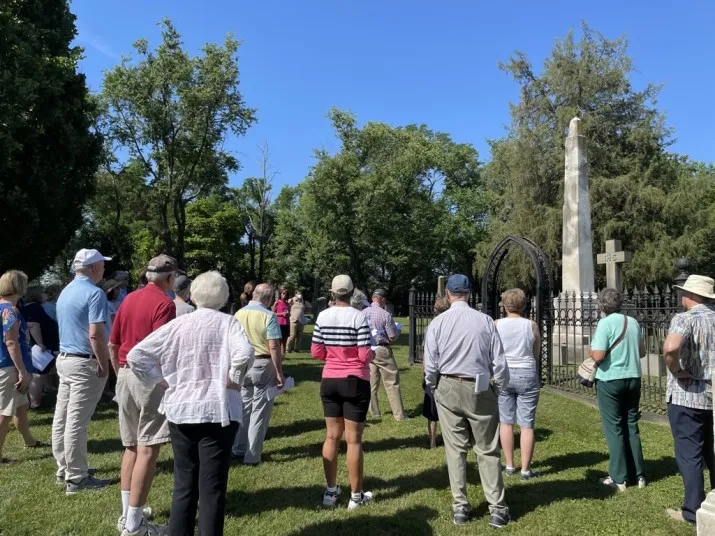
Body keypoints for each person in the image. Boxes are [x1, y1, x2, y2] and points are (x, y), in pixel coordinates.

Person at [127, 271, 255, 536]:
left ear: (194, 295)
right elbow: (245, 353)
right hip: (216, 411)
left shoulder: (179, 324)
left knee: (183, 484)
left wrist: (160, 380)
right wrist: (233, 378)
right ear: (224, 296)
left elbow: (137, 354)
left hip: (182, 410)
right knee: (212, 488)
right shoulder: (228, 324)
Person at [424, 274, 510, 528]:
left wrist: (433, 388)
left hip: (448, 384)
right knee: (487, 448)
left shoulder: (438, 323)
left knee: (456, 449)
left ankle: (460, 507)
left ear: (449, 295)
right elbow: (500, 362)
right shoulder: (485, 321)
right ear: (469, 294)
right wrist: (500, 389)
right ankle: (497, 507)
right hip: (480, 384)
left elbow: (430, 364)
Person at [110, 255, 179, 536]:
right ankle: (135, 524)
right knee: (148, 449)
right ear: (169, 278)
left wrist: (118, 375)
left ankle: (128, 513)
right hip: (148, 378)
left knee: (131, 446)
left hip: (125, 374)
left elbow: (113, 342)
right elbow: (161, 349)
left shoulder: (129, 299)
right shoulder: (165, 304)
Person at [52, 248, 113, 494]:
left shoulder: (65, 291)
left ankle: (64, 468)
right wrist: (104, 364)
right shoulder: (94, 294)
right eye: (102, 265)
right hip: (83, 362)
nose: (104, 270)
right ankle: (76, 477)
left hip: (65, 359)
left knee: (63, 417)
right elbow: (96, 334)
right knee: (77, 422)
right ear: (94, 268)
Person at [312, 275, 375, 510]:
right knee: (353, 440)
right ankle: (356, 496)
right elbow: (362, 355)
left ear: (333, 293)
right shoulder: (358, 317)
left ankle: (330, 491)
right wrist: (373, 354)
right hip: (354, 380)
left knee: (331, 436)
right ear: (351, 292)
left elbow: (317, 352)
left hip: (330, 379)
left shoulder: (322, 316)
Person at [663, 275, 715, 525]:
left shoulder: (685, 318)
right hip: (713, 395)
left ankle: (693, 510)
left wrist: (675, 370)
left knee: (690, 453)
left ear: (692, 296)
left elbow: (671, 348)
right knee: (713, 452)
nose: (681, 296)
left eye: (684, 292)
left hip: (687, 395)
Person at [589, 288, 647, 493]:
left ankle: (618, 477)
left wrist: (591, 349)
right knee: (631, 424)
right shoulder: (632, 322)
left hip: (610, 379)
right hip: (633, 377)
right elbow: (642, 352)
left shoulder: (604, 323)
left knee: (614, 427)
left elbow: (598, 355)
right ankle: (638, 474)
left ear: (602, 305)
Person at [232, 283, 284, 465]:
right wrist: (279, 372)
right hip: (262, 363)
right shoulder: (269, 316)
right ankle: (252, 455)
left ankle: (238, 448)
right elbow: (274, 345)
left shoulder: (238, 314)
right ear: (269, 299)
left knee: (244, 407)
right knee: (259, 411)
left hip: (242, 363)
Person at [496, 288, 542, 481]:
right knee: (526, 424)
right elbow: (536, 351)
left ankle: (509, 464)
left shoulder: (496, 324)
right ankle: (525, 468)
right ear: (524, 305)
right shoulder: (531, 325)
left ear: (505, 305)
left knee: (505, 421)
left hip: (505, 372)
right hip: (526, 371)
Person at [0, 270, 42, 463]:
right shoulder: (9, 310)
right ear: (18, 286)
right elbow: (11, 342)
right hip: (10, 367)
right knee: (4, 413)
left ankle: (30, 441)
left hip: (7, 366)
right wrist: (22, 371)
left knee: (21, 407)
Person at [364, 289, 407, 421]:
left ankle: (374, 412)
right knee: (391, 381)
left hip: (368, 348)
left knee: (371, 383)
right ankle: (399, 415)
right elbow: (392, 336)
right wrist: (398, 329)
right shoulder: (385, 314)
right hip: (382, 349)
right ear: (382, 299)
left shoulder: (363, 312)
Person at [22, 285, 60, 408]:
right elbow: (32, 325)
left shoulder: (31, 307)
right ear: (37, 294)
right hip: (40, 347)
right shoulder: (34, 307)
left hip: (39, 346)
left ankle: (34, 399)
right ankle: (35, 402)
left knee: (39, 373)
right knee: (39, 374)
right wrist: (40, 343)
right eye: (43, 292)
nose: (45, 295)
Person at [422, 296, 449, 449]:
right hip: (447, 369)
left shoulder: (431, 326)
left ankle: (432, 440)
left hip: (432, 368)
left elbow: (426, 352)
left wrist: (425, 371)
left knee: (432, 410)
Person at [272, 287, 290, 355]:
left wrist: (288, 314)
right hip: (279, 324)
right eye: (283, 293)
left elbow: (289, 313)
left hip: (286, 324)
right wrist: (281, 314)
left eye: (286, 294)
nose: (284, 295)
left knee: (284, 341)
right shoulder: (277, 302)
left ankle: (283, 355)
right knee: (279, 341)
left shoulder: (287, 303)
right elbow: (273, 313)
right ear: (280, 294)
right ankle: (277, 355)